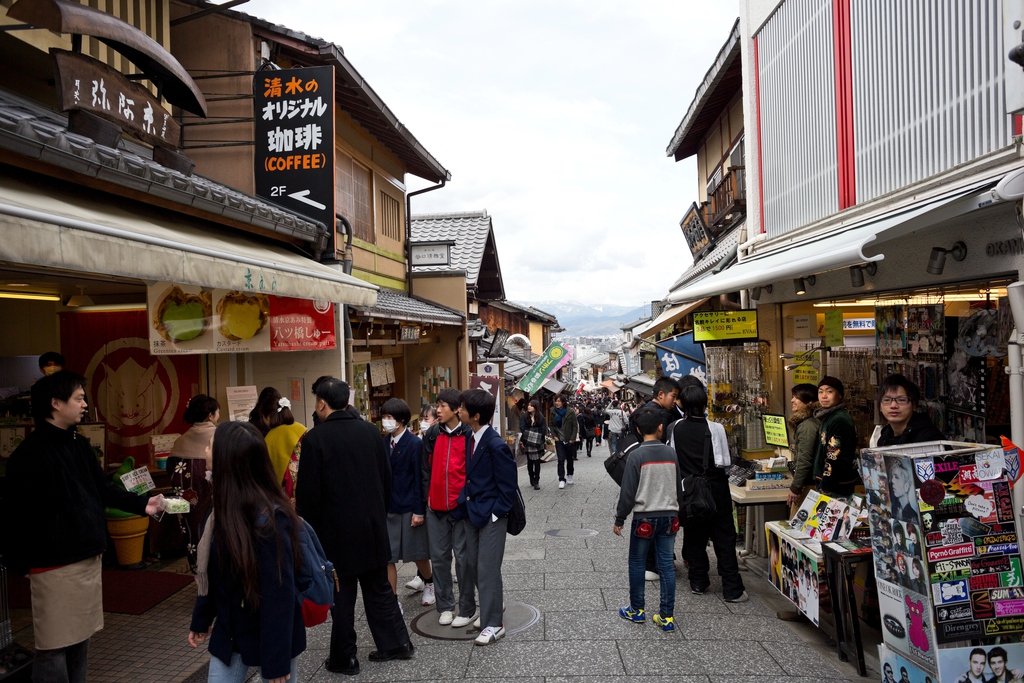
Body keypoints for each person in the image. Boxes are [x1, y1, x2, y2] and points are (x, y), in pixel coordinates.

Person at [2, 371, 162, 683]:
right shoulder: (28, 455)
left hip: (87, 557)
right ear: (55, 403)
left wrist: (143, 504)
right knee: (53, 645)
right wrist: (18, 561)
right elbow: (14, 513)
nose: (85, 404)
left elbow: (102, 488)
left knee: (81, 640)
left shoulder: (79, 445)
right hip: (52, 563)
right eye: (79, 398)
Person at [295, 379, 413, 676]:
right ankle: (397, 643)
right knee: (379, 589)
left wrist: (307, 533)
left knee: (342, 597)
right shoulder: (371, 432)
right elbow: (386, 480)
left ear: (322, 403)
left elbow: (308, 496)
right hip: (372, 527)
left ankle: (345, 658)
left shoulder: (315, 439)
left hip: (334, 533)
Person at [188, 421, 304, 683]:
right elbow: (215, 571)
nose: (205, 450)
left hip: (271, 635)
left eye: (210, 446)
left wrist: (276, 662)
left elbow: (279, 594)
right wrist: (202, 618)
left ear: (227, 459)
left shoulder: (271, 519)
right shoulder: (220, 506)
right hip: (230, 630)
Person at [672, 380, 748, 602]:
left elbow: (675, 459)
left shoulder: (676, 428)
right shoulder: (715, 428)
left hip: (691, 490)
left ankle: (698, 581)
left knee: (695, 535)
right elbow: (724, 462)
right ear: (704, 405)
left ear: (683, 405)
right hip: (716, 489)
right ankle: (732, 589)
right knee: (724, 537)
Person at [455, 389, 519, 645]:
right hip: (472, 512)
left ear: (476, 415)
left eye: (462, 408)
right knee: (473, 564)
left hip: (491, 515)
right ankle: (491, 609)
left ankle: (494, 624)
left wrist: (496, 513)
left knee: (487, 568)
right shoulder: (471, 437)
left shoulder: (495, 444)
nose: (459, 410)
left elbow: (508, 487)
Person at [613, 407, 684, 632]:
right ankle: (666, 616)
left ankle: (637, 610)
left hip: (645, 517)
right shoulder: (671, 454)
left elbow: (628, 492)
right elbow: (678, 487)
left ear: (637, 430)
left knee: (637, 562)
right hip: (669, 516)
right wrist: (677, 511)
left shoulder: (636, 456)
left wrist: (620, 518)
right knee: (666, 566)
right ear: (661, 428)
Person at [420, 388, 475, 627]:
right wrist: (425, 501)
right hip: (436, 508)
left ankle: (466, 606)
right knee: (440, 559)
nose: (437, 410)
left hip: (461, 509)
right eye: (437, 405)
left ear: (456, 409)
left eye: (442, 406)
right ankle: (444, 605)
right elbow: (424, 471)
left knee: (463, 559)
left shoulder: (470, 434)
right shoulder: (432, 435)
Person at [380, 398, 435, 608]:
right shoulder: (383, 442)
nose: (386, 421)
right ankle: (392, 601)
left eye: (390, 417)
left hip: (410, 506)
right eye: (383, 417)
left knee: (417, 553)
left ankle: (429, 582)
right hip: (389, 508)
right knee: (388, 557)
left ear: (401, 420)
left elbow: (419, 479)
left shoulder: (414, 443)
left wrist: (419, 511)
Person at [168, 394, 219, 572]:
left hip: (187, 501)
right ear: (210, 415)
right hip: (213, 497)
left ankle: (197, 570)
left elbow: (171, 471)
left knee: (192, 529)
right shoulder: (219, 436)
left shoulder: (180, 441)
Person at [813, 376, 860, 496]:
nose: (824, 396)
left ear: (840, 395)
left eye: (829, 391)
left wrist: (826, 485)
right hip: (828, 482)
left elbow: (835, 455)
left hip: (836, 485)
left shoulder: (839, 420)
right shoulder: (828, 416)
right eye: (820, 392)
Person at [876, 374, 944, 446]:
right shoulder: (884, 439)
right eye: (887, 400)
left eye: (901, 400)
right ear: (880, 407)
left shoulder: (929, 438)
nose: (893, 406)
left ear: (914, 405)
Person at [786, 383, 821, 514]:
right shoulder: (807, 422)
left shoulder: (808, 425)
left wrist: (795, 488)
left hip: (809, 486)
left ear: (809, 401)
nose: (792, 400)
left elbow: (804, 459)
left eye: (796, 397)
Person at [262, 393, 306, 486]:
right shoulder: (301, 429)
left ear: (269, 416)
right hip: (305, 480)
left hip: (284, 488)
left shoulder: (270, 438)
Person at [548, 395, 578, 489]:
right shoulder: (552, 411)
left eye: (559, 401)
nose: (557, 403)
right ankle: (561, 479)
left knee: (569, 459)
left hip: (569, 439)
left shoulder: (570, 412)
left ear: (563, 402)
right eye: (556, 401)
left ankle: (570, 474)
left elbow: (574, 426)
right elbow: (551, 425)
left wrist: (572, 438)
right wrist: (554, 436)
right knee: (560, 460)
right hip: (559, 440)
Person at [519, 399, 547, 490]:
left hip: (538, 441)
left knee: (537, 461)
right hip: (528, 441)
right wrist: (531, 435)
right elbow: (522, 428)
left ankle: (537, 480)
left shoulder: (541, 417)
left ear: (535, 407)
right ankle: (531, 476)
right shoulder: (524, 416)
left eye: (531, 405)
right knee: (530, 461)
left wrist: (534, 435)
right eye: (528, 405)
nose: (529, 407)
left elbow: (543, 429)